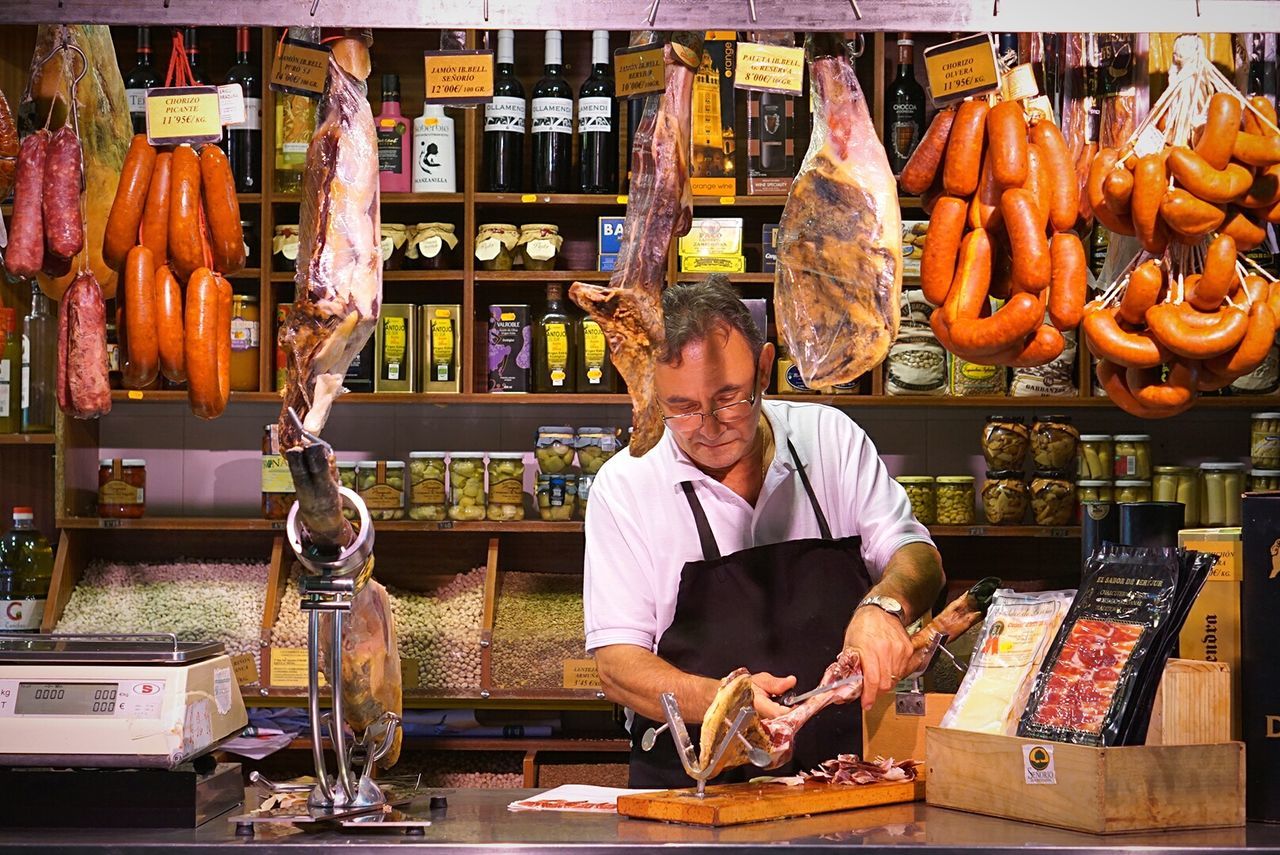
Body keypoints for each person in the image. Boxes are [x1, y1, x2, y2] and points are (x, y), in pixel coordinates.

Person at [583, 276, 945, 788]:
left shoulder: (828, 438)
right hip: (696, 794)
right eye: (682, 409)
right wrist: (724, 702)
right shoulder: (626, 485)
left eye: (730, 399)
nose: (709, 426)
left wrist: (884, 608)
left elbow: (917, 556)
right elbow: (618, 665)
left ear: (765, 368)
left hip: (843, 782)